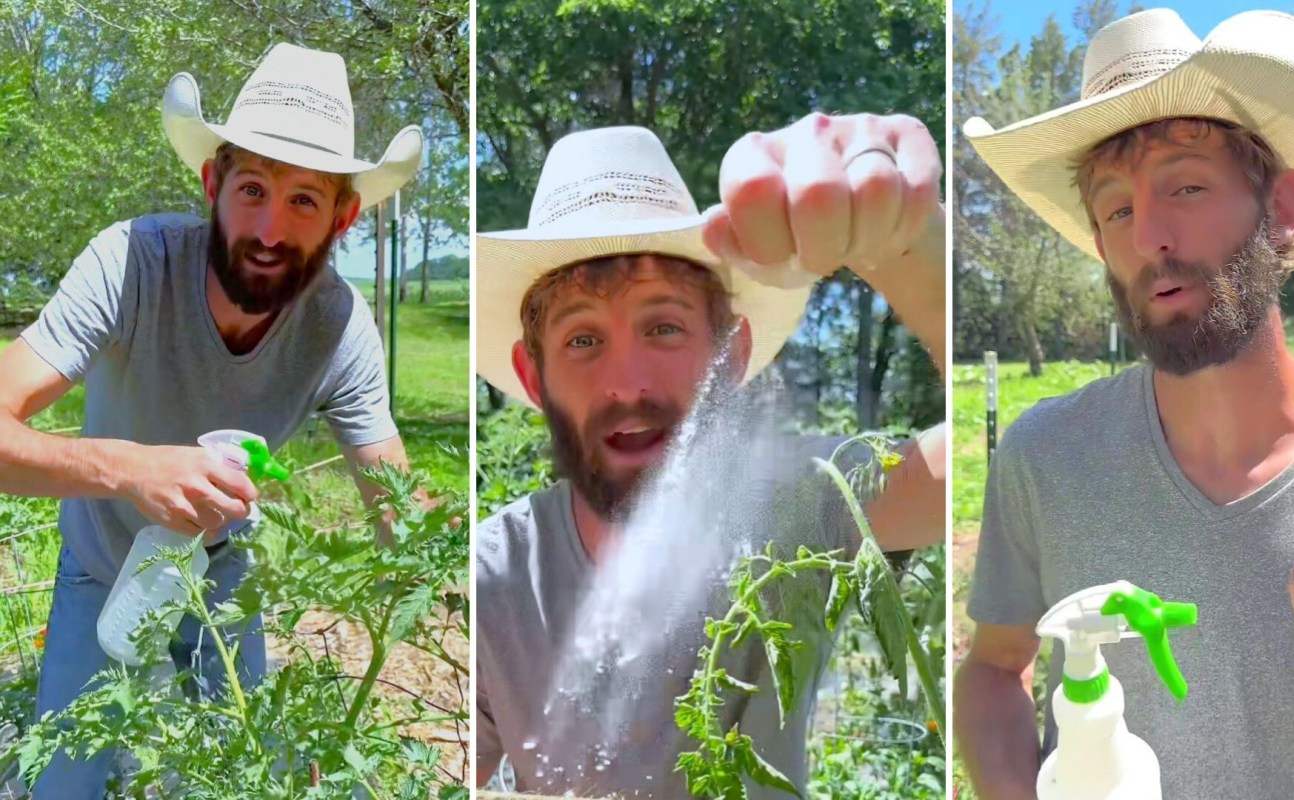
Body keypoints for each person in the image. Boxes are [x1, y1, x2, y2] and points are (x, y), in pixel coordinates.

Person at [955, 8, 1294, 800]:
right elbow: (996, 668)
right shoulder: (1042, 457)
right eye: (1118, 208)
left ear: (1280, 209)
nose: (1151, 237)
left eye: (1188, 185)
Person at [474, 115, 946, 798]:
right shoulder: (498, 576)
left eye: (663, 327)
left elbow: (975, 475)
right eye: (582, 340)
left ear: (731, 358)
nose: (627, 384)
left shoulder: (800, 506)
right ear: (533, 375)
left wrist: (909, 251)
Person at [0, 43, 424, 796]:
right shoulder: (129, 263)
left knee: (245, 775)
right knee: (66, 780)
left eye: (303, 200)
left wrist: (448, 568)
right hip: (104, 562)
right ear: (211, 183)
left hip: (224, 572)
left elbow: (402, 511)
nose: (269, 229)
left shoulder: (340, 325)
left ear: (344, 216)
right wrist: (131, 470)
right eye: (253, 188)